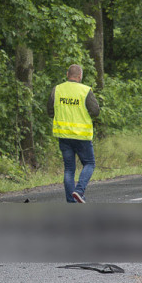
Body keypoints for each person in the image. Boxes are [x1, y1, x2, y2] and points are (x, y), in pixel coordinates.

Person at [47, 64, 100, 203]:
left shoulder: (57, 89)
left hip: (63, 136)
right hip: (81, 136)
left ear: (67, 74)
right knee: (89, 163)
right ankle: (79, 191)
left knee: (69, 169)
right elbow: (95, 111)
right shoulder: (85, 90)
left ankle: (71, 201)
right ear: (80, 76)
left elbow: (49, 111)